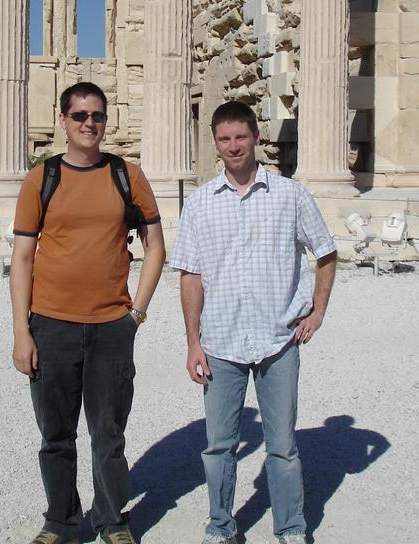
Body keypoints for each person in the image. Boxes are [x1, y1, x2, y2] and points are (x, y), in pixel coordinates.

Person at [170, 101, 338, 544]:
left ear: (256, 137)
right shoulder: (200, 203)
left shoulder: (290, 194)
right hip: (220, 341)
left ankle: (291, 526)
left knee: (282, 446)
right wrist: (192, 341)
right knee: (219, 446)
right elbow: (190, 275)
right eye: (224, 139)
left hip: (277, 340)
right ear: (215, 143)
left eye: (240, 137)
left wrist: (318, 312)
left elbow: (325, 252)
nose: (233, 146)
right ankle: (220, 526)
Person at [10, 82, 166, 544]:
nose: (89, 123)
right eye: (79, 115)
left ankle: (112, 520)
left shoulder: (127, 175)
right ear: (63, 120)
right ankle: (60, 522)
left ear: (105, 120)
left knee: (109, 435)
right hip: (51, 324)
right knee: (56, 435)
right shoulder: (41, 178)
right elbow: (22, 257)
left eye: (96, 115)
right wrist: (21, 331)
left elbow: (156, 246)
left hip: (111, 328)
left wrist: (137, 313)